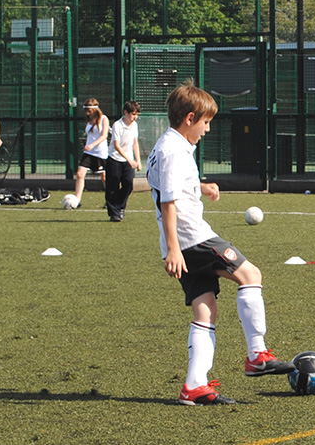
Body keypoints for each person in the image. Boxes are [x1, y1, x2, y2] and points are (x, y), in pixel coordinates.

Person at [146, 80, 294, 406]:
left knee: (205, 308)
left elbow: (168, 186)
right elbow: (168, 203)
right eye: (206, 122)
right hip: (192, 238)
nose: (207, 129)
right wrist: (173, 248)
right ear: (189, 118)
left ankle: (194, 386)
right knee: (251, 275)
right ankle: (257, 354)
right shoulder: (174, 152)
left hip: (181, 241)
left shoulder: (165, 147)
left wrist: (200, 186)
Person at [104, 101, 141, 222]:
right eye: (133, 114)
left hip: (128, 160)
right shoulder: (117, 125)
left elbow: (135, 143)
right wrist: (129, 160)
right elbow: (117, 145)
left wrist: (138, 160)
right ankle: (114, 213)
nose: (135, 117)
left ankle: (120, 206)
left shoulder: (134, 125)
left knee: (128, 183)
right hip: (115, 159)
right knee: (112, 186)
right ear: (125, 112)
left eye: (137, 114)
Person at [73, 98, 109, 205]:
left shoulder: (103, 119)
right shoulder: (89, 120)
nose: (87, 112)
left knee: (104, 177)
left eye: (89, 110)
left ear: (94, 109)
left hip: (101, 153)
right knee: (80, 174)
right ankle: (77, 200)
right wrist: (88, 146)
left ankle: (109, 200)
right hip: (89, 153)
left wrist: (92, 145)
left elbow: (104, 136)